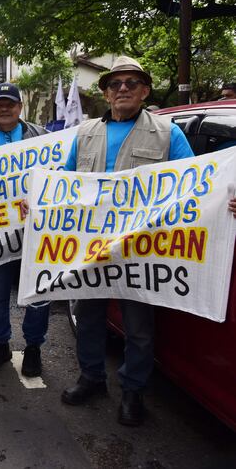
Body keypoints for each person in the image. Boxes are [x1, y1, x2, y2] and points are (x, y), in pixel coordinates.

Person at [57, 56, 195, 426]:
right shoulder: (85, 133)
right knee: (88, 318)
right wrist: (38, 198)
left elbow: (195, 186)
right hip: (91, 247)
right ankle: (91, 378)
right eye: (114, 84)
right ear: (104, 92)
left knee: (138, 326)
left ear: (144, 90)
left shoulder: (168, 134)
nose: (121, 89)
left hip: (141, 249)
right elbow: (66, 182)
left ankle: (133, 392)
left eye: (130, 83)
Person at [0, 83, 50, 377]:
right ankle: (0, 343)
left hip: (35, 234)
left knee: (38, 293)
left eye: (10, 103)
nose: (5, 108)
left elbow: (58, 178)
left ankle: (33, 348)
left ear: (20, 106)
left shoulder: (44, 138)